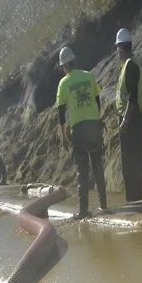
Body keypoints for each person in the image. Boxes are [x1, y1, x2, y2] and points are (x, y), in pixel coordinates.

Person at [55, 45, 107, 219]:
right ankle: (104, 205)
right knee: (98, 165)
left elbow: (61, 114)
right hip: (94, 125)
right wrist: (95, 119)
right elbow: (97, 100)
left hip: (79, 129)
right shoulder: (89, 75)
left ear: (64, 66)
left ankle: (83, 211)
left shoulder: (63, 83)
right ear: (74, 62)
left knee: (82, 171)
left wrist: (63, 137)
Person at [114, 27, 142, 201]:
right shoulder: (130, 65)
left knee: (131, 160)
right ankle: (137, 196)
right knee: (133, 158)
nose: (117, 52)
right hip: (133, 117)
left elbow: (133, 98)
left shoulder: (130, 66)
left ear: (121, 47)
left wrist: (125, 121)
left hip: (131, 118)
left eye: (117, 48)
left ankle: (136, 198)